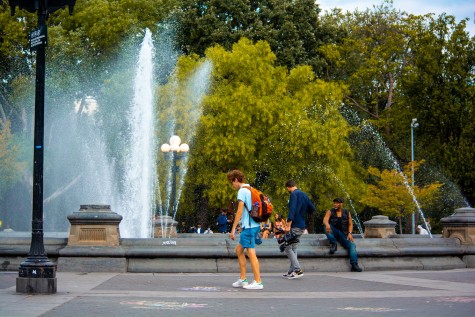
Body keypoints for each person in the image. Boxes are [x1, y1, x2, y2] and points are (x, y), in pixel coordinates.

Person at [226, 169, 264, 290]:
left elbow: (239, 211)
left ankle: (258, 281)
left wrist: (233, 229)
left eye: (232, 182)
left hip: (248, 227)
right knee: (239, 250)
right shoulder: (250, 188)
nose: (232, 185)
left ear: (236, 180)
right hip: (255, 225)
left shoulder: (242, 191)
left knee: (251, 253)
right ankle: (243, 279)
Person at [282, 179, 316, 279]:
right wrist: (303, 213)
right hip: (302, 225)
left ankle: (297, 270)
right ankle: (291, 271)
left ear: (288, 187)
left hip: (295, 225)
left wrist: (288, 224)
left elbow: (292, 210)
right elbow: (312, 208)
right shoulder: (304, 195)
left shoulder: (293, 194)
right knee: (294, 247)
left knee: (287, 248)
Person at [323, 197, 362, 272]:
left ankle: (354, 264)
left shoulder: (347, 212)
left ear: (341, 204)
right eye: (334, 203)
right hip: (333, 231)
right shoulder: (330, 211)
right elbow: (325, 220)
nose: (335, 204)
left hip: (343, 234)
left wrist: (350, 233)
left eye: (337, 203)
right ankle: (333, 244)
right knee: (326, 227)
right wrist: (327, 224)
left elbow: (350, 224)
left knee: (352, 245)